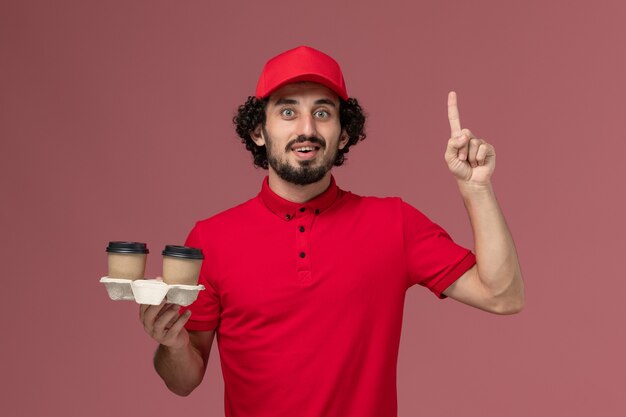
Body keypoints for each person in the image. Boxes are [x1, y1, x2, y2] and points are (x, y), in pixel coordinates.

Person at [139, 46, 524, 417]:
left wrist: (477, 188)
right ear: (259, 131)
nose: (307, 128)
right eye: (288, 111)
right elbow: (184, 382)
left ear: (342, 134)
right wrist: (172, 346)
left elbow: (502, 296)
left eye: (322, 112)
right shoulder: (212, 239)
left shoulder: (394, 223)